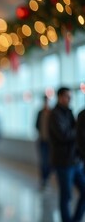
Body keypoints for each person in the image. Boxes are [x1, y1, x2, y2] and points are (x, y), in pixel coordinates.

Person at [48, 87, 85, 222]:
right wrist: (79, 130)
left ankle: (75, 220)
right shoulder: (55, 114)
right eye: (67, 97)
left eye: (70, 97)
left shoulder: (69, 112)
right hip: (63, 161)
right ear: (60, 97)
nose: (69, 99)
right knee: (66, 196)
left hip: (74, 160)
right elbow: (64, 135)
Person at [35, 95, 52, 190]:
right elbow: (36, 125)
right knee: (43, 161)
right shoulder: (40, 113)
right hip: (42, 140)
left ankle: (46, 179)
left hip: (50, 142)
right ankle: (43, 180)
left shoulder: (51, 112)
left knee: (49, 162)